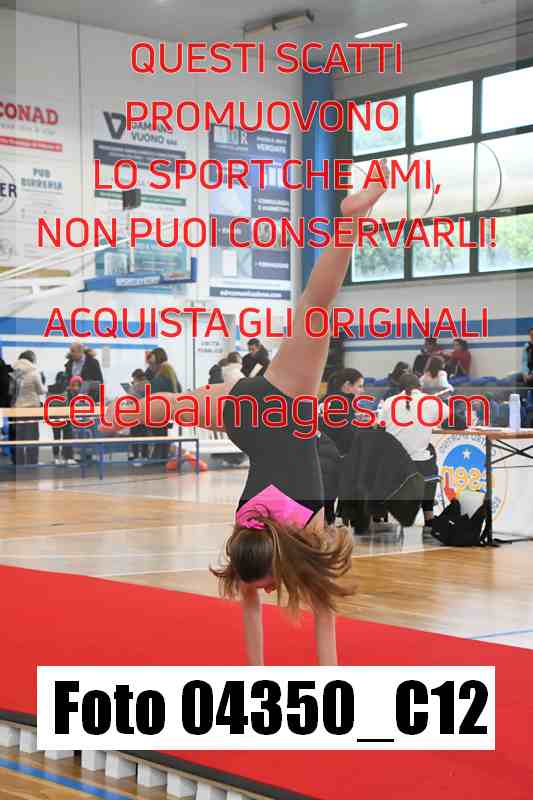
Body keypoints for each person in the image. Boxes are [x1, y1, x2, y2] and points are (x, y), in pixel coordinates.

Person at [103, 161, 390, 665]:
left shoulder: (306, 528)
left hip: (283, 405)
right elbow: (254, 612)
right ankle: (129, 408)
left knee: (317, 303)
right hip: (245, 415)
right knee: (179, 404)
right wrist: (256, 675)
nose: (271, 589)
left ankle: (351, 219)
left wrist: (330, 680)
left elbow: (321, 617)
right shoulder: (247, 536)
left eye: (268, 583)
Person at [378, 373, 448, 532]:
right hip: (420, 466)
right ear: (420, 387)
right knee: (429, 459)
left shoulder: (389, 402)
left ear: (399, 388)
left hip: (394, 465)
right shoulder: (431, 401)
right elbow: (455, 419)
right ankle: (429, 517)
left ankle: (381, 513)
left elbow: (381, 426)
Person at [319, 368, 365, 456]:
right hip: (335, 456)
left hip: (318, 454)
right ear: (347, 385)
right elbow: (349, 437)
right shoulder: (343, 403)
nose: (362, 391)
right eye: (359, 386)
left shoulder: (322, 400)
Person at [11, 351, 46, 466]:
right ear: (31, 359)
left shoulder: (14, 373)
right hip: (32, 409)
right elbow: (41, 391)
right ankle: (32, 462)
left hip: (17, 409)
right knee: (32, 436)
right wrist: (44, 383)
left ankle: (19, 462)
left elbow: (11, 391)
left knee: (19, 437)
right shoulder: (34, 373)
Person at [147, 347, 182, 461]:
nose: (150, 367)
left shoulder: (157, 380)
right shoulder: (172, 379)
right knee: (163, 438)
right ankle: (163, 457)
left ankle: (157, 458)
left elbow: (152, 396)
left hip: (159, 413)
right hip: (170, 413)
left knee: (158, 436)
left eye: (151, 364)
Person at [129, 369, 150, 463]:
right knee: (144, 434)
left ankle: (136, 455)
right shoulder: (147, 384)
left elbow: (133, 397)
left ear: (137, 377)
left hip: (138, 413)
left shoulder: (139, 386)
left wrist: (132, 388)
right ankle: (144, 455)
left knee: (135, 434)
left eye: (134, 378)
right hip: (144, 413)